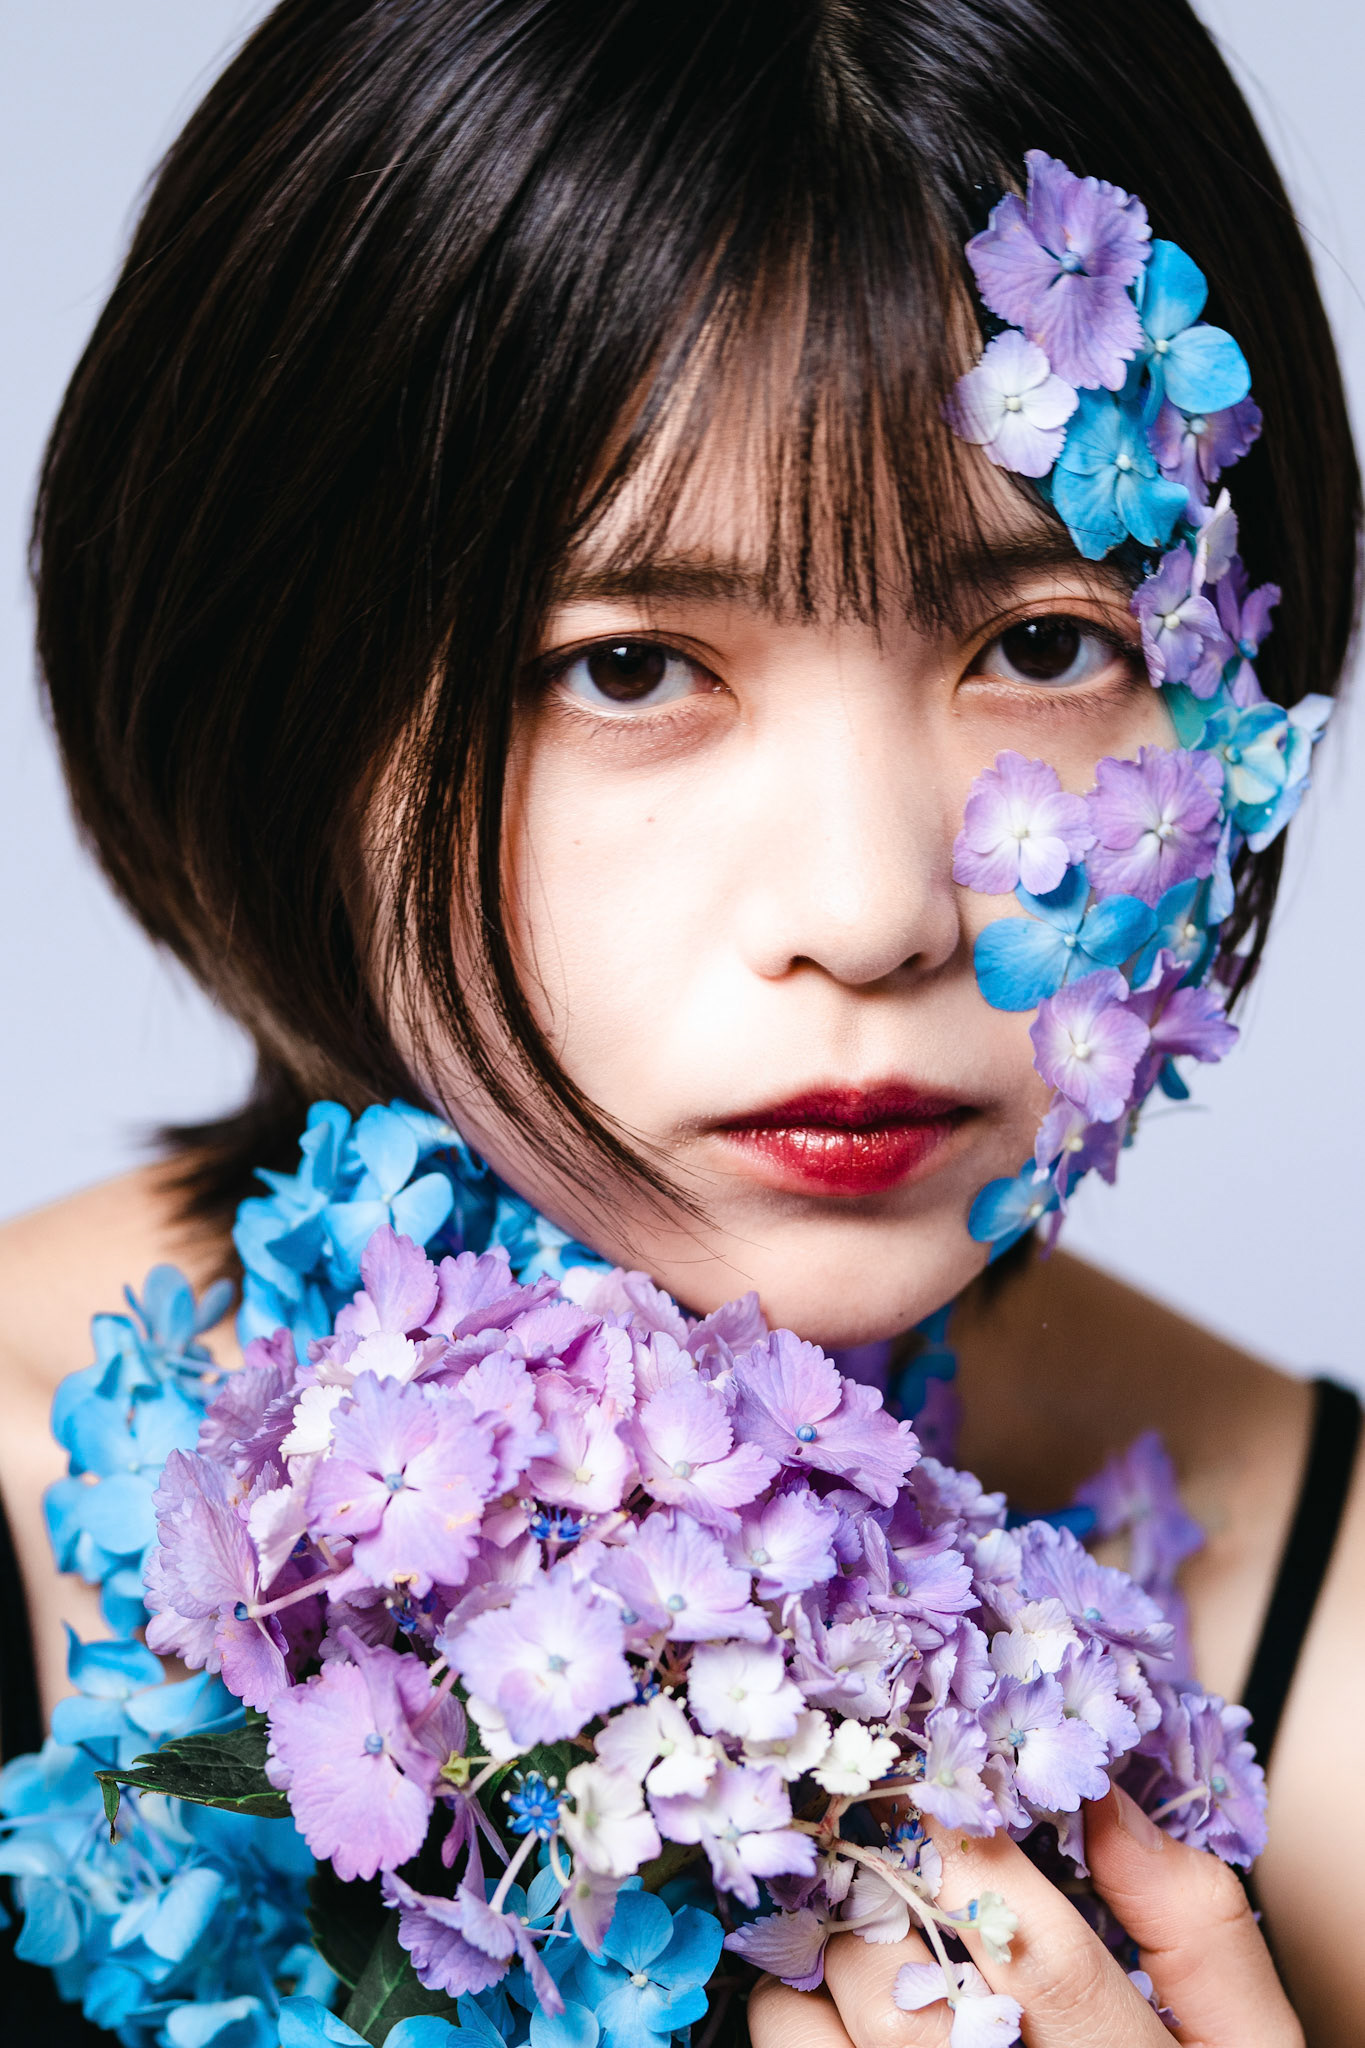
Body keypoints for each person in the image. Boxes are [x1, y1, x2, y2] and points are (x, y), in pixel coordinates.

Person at [0, 0, 1358, 2039]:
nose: (868, 911)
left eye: (1041, 642)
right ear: (282, 718)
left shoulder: (1333, 1674)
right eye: (628, 666)